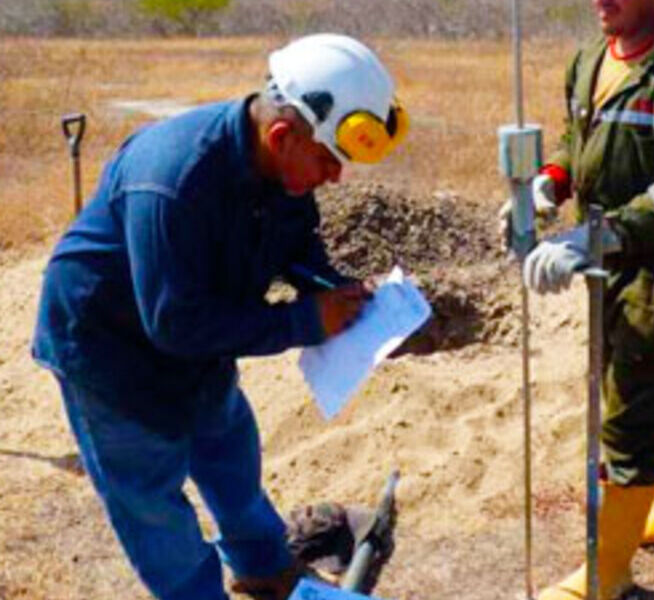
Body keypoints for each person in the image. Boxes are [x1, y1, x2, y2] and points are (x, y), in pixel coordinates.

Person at [32, 34, 408, 600]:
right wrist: (302, 322)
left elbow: (293, 245)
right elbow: (174, 322)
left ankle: (266, 570)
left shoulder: (282, 168)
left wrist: (337, 292)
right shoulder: (174, 179)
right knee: (154, 506)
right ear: (281, 136)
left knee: (229, 450)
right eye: (329, 161)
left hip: (196, 343)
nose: (336, 179)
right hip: (109, 353)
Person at [510, 1, 654, 598]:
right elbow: (577, 137)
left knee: (634, 415)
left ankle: (603, 575)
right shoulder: (593, 56)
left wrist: (599, 236)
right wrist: (555, 179)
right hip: (609, 265)